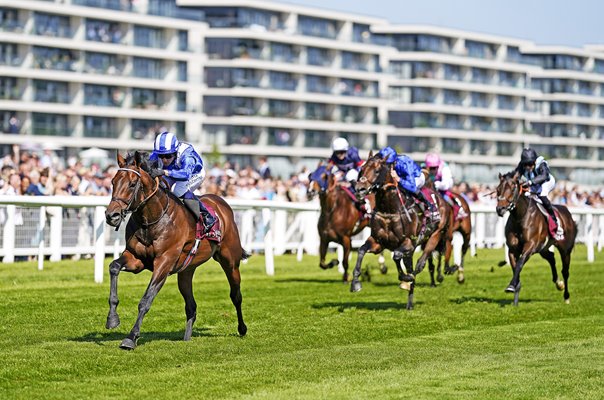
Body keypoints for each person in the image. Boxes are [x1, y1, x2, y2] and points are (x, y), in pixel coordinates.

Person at [148, 131, 217, 236]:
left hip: (193, 174)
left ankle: (207, 215)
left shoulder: (187, 154)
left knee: (177, 190)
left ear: (175, 152)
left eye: (168, 156)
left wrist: (164, 171)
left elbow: (185, 174)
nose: (164, 160)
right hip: (174, 171)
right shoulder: (156, 154)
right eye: (161, 156)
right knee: (160, 186)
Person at [377, 146, 440, 229]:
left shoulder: (405, 163)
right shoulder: (386, 161)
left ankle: (430, 207)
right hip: (402, 178)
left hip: (416, 178)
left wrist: (398, 179)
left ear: (393, 161)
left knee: (408, 189)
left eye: (387, 164)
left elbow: (412, 186)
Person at [513, 147, 564, 240]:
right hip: (534, 183)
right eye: (525, 165)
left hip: (547, 182)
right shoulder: (522, 164)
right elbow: (515, 175)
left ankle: (555, 220)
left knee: (542, 195)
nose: (527, 167)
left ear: (534, 161)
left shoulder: (541, 163)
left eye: (530, 164)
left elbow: (544, 176)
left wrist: (529, 182)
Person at [327, 137, 370, 217]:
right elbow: (328, 167)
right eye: (337, 152)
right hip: (343, 174)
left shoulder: (353, 154)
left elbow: (361, 166)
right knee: (334, 175)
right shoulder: (334, 157)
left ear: (346, 150)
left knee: (350, 175)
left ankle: (363, 200)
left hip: (354, 172)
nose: (339, 155)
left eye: (342, 152)